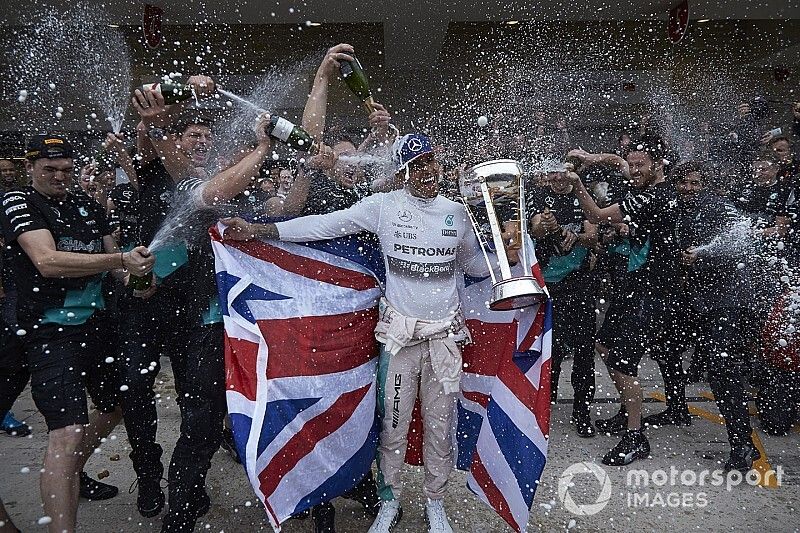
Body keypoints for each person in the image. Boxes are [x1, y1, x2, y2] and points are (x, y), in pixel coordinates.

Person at [222, 133, 512, 533]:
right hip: (399, 342)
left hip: (445, 340)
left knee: (439, 427)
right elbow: (321, 226)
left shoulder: (456, 213)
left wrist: (508, 253)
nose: (427, 170)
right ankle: (389, 501)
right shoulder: (383, 207)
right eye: (417, 164)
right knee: (392, 427)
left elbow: (473, 267)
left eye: (431, 161)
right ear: (403, 171)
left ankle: (435, 502)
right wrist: (259, 231)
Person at [0, 134, 154, 533]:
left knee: (116, 405)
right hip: (45, 329)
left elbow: (117, 270)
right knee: (66, 433)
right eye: (49, 169)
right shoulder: (19, 202)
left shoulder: (86, 204)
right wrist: (119, 258)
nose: (59, 177)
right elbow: (47, 261)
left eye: (66, 170)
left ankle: (71, 471)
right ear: (30, 168)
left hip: (94, 327)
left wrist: (139, 275)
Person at [567, 137, 680, 466]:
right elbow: (618, 161)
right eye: (631, 166)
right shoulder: (653, 186)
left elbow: (598, 214)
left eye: (640, 165)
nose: (632, 171)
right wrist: (590, 156)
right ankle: (627, 412)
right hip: (634, 288)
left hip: (649, 293)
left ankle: (635, 437)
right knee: (604, 346)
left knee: (621, 363)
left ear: (658, 165)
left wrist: (577, 186)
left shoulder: (650, 197)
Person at [671, 162, 775, 470]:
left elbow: (740, 245)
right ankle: (742, 438)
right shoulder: (684, 209)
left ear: (707, 185)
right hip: (707, 303)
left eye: (694, 183)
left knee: (723, 371)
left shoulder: (718, 207)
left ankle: (743, 445)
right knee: (719, 370)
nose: (688, 188)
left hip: (729, 303)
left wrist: (700, 259)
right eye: (684, 183)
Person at [528, 160, 598, 437]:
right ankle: (546, 404)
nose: (559, 178)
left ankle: (582, 412)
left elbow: (592, 237)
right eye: (554, 172)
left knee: (583, 353)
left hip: (579, 283)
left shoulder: (583, 197)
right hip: (548, 285)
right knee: (550, 352)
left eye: (566, 172)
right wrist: (551, 227)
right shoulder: (538, 197)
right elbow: (535, 230)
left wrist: (575, 236)